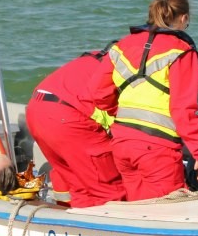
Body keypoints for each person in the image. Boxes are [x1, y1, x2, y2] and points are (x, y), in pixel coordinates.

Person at [97, 0, 198, 201]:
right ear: (184, 18)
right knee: (169, 213)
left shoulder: (121, 46)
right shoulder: (181, 51)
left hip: (122, 143)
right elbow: (182, 108)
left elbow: (99, 95)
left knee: (138, 210)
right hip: (157, 149)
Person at [26, 43, 127, 207]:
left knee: (79, 186)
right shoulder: (123, 72)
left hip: (36, 109)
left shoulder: (94, 59)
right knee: (110, 189)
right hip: (67, 118)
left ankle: (77, 222)